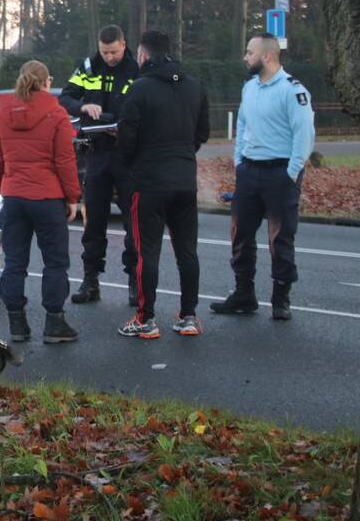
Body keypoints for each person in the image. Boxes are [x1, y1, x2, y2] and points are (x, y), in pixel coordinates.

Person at [210, 33, 315, 321]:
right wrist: (239, 161)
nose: (245, 57)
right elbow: (243, 124)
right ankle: (244, 294)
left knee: (280, 238)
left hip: (280, 173)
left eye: (249, 52)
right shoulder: (250, 88)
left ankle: (281, 300)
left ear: (266, 56)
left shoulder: (293, 91)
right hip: (249, 172)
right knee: (240, 234)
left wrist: (291, 173)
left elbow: (304, 136)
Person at [116, 30, 209, 339]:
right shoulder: (194, 87)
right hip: (184, 179)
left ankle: (145, 318)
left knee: (148, 253)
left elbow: (126, 136)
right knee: (187, 252)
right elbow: (202, 132)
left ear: (143, 56)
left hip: (150, 181)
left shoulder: (139, 89)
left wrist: (134, 165)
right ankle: (188, 315)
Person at [0, 60, 81, 345]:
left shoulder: (1, 115)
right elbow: (64, 161)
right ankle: (54, 324)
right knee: (55, 263)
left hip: (13, 198)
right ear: (46, 82)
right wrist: (72, 197)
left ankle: (17, 324)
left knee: (15, 262)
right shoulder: (57, 114)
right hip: (47, 198)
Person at [59, 25, 140, 307]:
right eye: (105, 52)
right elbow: (66, 97)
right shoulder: (89, 66)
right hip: (96, 153)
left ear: (123, 44)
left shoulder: (136, 68)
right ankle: (90, 280)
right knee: (93, 222)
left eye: (114, 51)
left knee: (134, 224)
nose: (109, 57)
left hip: (128, 155)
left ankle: (134, 282)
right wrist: (83, 108)